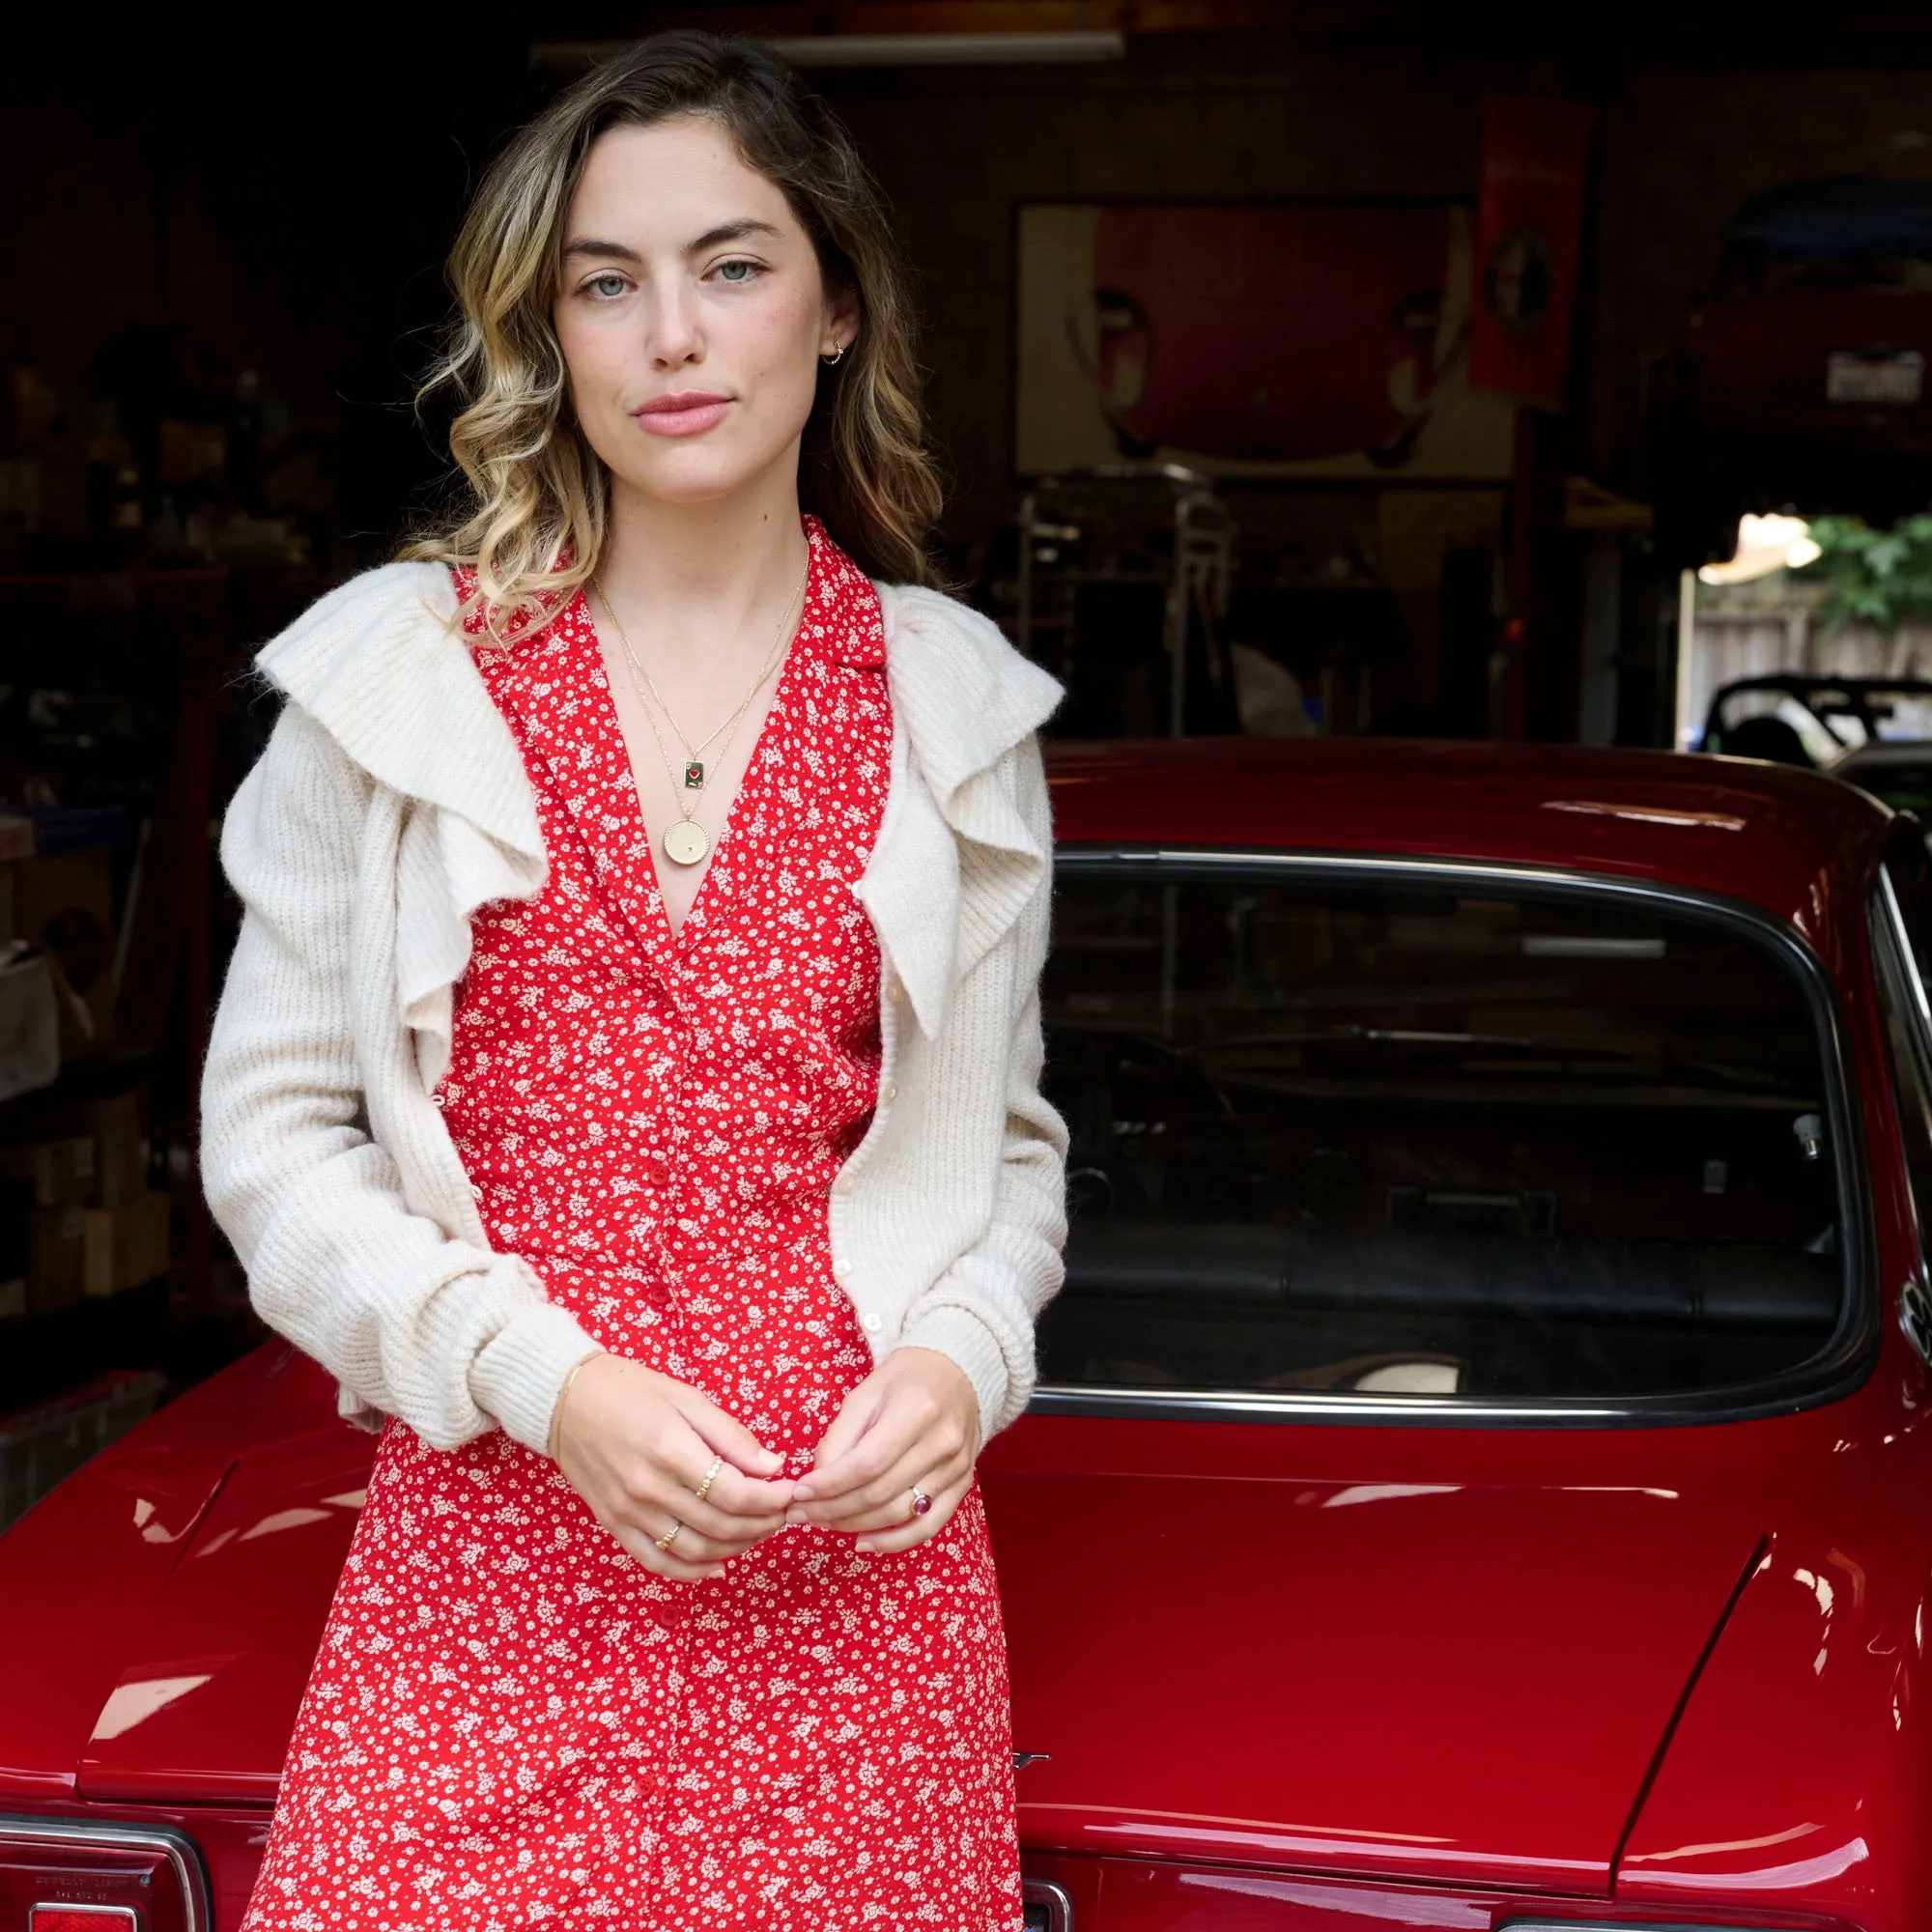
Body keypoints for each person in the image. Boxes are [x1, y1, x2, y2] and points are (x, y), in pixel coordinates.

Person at [199, 31, 1067, 1930]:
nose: (670, 331)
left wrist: (956, 1360)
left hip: (857, 1618)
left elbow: (1004, 1162)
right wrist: (548, 1382)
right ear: (553, 332)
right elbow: (268, 1149)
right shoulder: (394, 684)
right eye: (607, 281)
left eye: (731, 264)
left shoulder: (953, 709)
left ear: (835, 305)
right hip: (490, 1574)